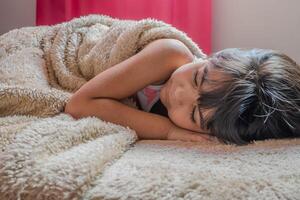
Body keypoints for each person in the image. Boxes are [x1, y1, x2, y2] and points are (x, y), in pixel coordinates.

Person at [64, 39, 300, 145]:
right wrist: (167, 131)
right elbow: (79, 104)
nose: (179, 95)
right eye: (198, 77)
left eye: (194, 114)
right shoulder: (169, 54)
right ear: (214, 56)